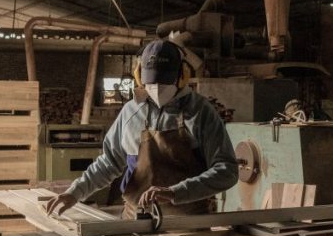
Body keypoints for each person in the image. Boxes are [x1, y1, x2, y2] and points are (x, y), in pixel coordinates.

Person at [46, 39, 238, 219]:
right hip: (135, 216)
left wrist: (176, 192)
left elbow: (227, 171)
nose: (156, 88)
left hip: (187, 220)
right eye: (151, 82)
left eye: (164, 82)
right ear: (139, 76)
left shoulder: (201, 112)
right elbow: (109, 163)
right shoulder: (130, 111)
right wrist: (75, 192)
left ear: (182, 75)